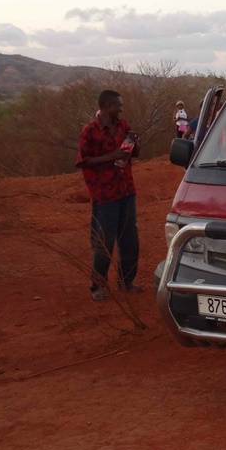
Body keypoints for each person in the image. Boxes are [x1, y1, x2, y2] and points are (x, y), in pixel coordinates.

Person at [76, 90, 142, 300]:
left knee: (130, 239)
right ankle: (98, 286)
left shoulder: (122, 126)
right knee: (104, 242)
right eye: (117, 105)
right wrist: (111, 156)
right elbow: (83, 161)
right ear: (105, 106)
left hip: (126, 190)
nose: (121, 109)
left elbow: (135, 153)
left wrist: (134, 143)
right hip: (105, 194)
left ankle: (126, 281)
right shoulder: (90, 131)